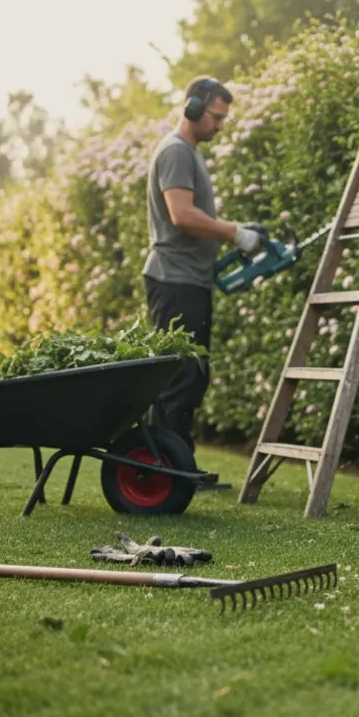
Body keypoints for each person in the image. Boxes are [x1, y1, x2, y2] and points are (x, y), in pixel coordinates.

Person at [142, 76, 267, 453]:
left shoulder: (190, 152)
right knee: (179, 378)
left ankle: (175, 461)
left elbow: (195, 217)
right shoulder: (176, 151)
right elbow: (181, 215)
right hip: (174, 280)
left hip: (189, 280)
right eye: (216, 116)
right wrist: (235, 234)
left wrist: (237, 230)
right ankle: (169, 466)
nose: (220, 126)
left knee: (191, 376)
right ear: (193, 107)